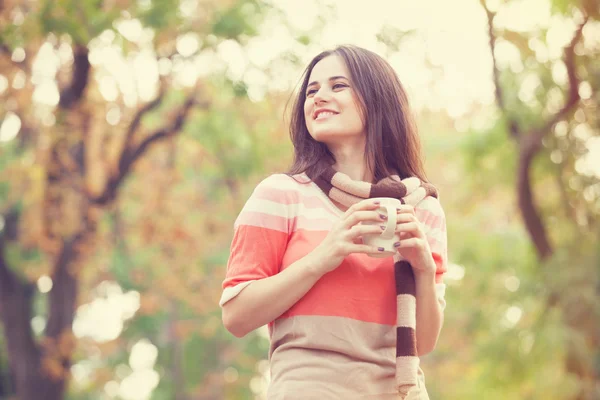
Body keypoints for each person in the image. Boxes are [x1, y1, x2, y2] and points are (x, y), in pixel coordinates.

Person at [219, 45, 448, 400]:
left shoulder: (422, 207)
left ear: (377, 100)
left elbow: (426, 342)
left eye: (338, 86)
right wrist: (323, 257)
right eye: (312, 90)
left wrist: (423, 270)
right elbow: (236, 316)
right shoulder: (281, 195)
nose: (318, 97)